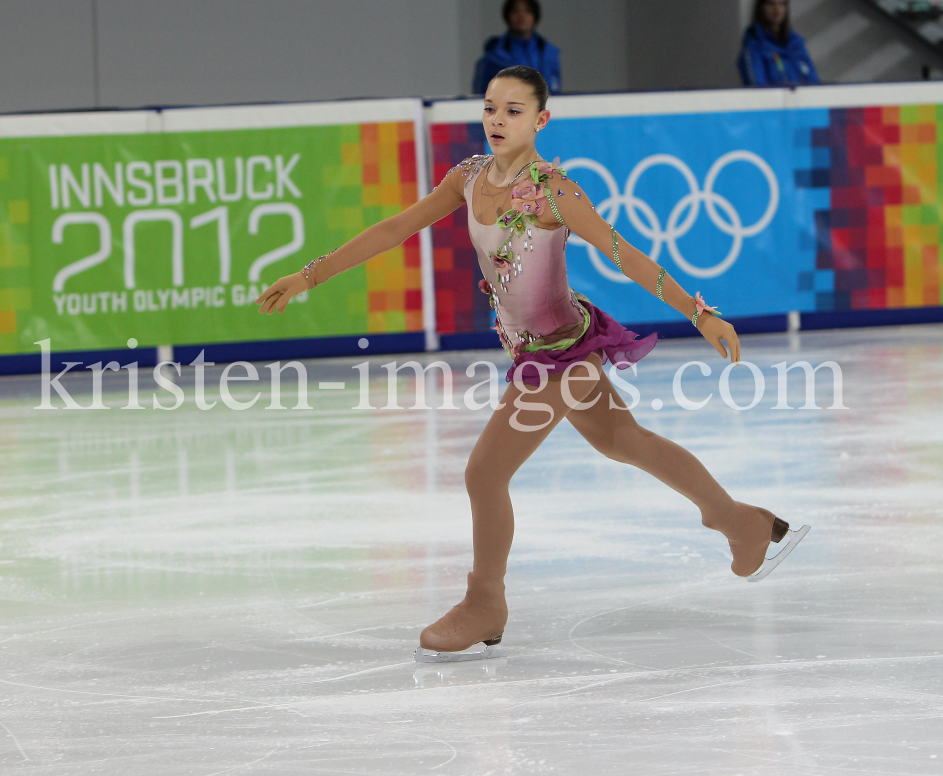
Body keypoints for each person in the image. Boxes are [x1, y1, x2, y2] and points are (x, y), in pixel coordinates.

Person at [256, 66, 809, 660]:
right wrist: (310, 274)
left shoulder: (554, 191)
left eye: (514, 110)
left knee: (484, 474)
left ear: (541, 119)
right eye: (491, 107)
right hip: (535, 348)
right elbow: (394, 230)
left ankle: (485, 601)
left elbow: (625, 255)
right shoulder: (468, 178)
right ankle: (741, 522)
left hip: (558, 356)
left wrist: (700, 313)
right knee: (623, 438)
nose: (497, 119)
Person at [473, 0, 561, 95]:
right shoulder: (494, 56)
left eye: (528, 11)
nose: (521, 15)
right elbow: (481, 95)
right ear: (508, 16)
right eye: (515, 11)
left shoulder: (548, 54)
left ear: (535, 17)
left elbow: (555, 90)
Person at [739, 0, 820, 86]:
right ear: (760, 8)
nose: (777, 9)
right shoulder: (754, 46)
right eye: (771, 4)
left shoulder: (796, 44)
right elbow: (758, 88)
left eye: (782, 4)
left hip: (802, 98)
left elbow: (814, 83)